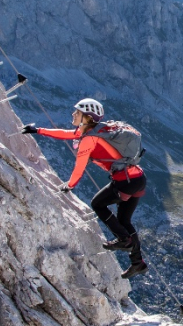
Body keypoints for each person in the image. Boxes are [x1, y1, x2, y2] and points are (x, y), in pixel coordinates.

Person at [23, 98, 148, 278]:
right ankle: (138, 263)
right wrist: (38, 130)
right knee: (124, 220)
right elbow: (67, 134)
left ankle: (124, 240)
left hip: (125, 181)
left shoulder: (89, 139)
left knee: (98, 204)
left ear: (87, 117)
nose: (73, 114)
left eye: (77, 112)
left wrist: (70, 185)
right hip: (137, 178)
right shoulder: (97, 130)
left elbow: (79, 166)